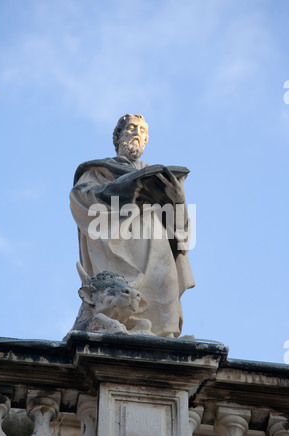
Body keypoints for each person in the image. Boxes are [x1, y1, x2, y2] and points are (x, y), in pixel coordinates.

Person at [70, 114, 195, 337]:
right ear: (118, 137)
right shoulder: (98, 171)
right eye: (131, 128)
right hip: (116, 246)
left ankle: (164, 339)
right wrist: (121, 189)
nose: (138, 133)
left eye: (143, 131)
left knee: (163, 299)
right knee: (118, 296)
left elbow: (182, 231)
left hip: (157, 247)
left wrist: (178, 199)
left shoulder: (160, 175)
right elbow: (81, 198)